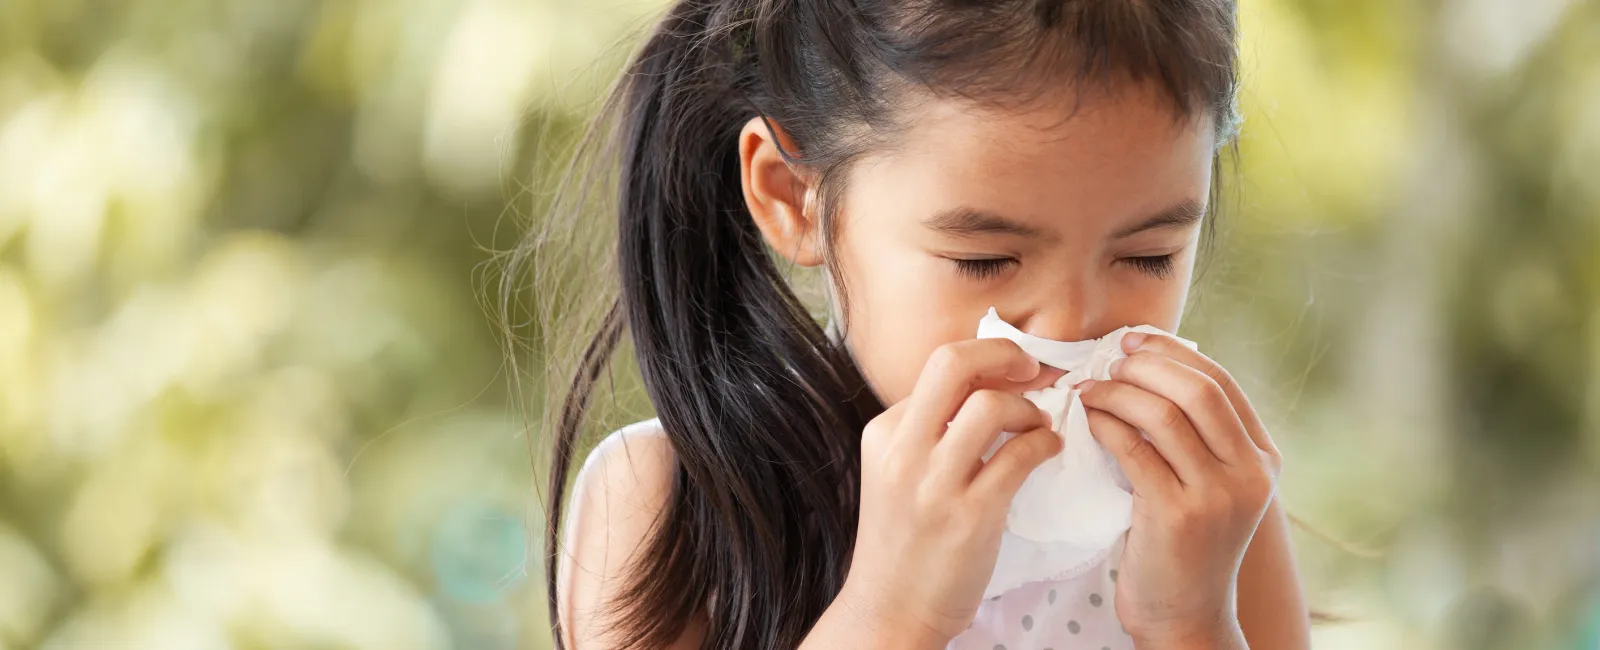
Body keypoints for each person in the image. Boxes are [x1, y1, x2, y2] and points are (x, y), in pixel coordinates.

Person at [522, 0, 1311, 648]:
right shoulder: (672, 502)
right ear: (793, 199)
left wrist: (1193, 623)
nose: (1072, 326)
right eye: (985, 261)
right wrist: (891, 617)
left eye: (1147, 257)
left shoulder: (1211, 503)